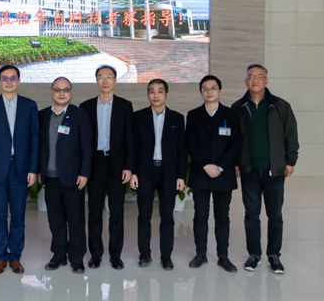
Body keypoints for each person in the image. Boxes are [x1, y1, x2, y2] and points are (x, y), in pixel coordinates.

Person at [232, 64, 299, 274]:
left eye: (259, 76)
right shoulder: (238, 107)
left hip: (274, 171)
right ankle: (254, 255)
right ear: (246, 81)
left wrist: (290, 161)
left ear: (266, 81)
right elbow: (233, 139)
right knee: (251, 215)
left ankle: (274, 255)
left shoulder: (281, 106)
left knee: (275, 215)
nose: (255, 80)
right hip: (249, 170)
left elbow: (291, 135)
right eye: (251, 77)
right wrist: (236, 162)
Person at [0, 65, 39, 275]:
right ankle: (0, 257)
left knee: (18, 216)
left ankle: (15, 257)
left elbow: (34, 140)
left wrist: (33, 169)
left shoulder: (30, 106)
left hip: (21, 169)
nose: (9, 81)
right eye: (5, 78)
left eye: (13, 78)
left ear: (19, 81)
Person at [80, 65, 134, 270]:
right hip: (95, 164)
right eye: (101, 77)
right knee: (94, 211)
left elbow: (130, 139)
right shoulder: (85, 107)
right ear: (96, 81)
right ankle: (96, 255)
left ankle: (115, 255)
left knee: (116, 212)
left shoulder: (125, 106)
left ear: (115, 81)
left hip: (117, 165)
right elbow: (83, 141)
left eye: (109, 77)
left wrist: (128, 167)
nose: (105, 81)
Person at [186, 75, 241, 272]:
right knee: (200, 214)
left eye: (213, 88)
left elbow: (236, 144)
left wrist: (220, 167)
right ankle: (200, 253)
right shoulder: (193, 115)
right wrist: (205, 165)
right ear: (201, 92)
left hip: (223, 175)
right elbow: (190, 144)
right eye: (205, 88)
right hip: (201, 173)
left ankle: (223, 256)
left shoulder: (231, 115)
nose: (209, 92)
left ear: (220, 91)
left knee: (222, 215)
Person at [130, 79, 186, 270]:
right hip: (145, 171)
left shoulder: (177, 118)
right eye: (151, 91)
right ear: (148, 94)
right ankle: (144, 254)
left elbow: (181, 150)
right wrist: (133, 172)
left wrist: (181, 176)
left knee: (167, 217)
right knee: (144, 216)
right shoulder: (138, 117)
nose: (156, 95)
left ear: (166, 94)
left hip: (168, 173)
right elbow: (133, 147)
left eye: (160, 91)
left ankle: (166, 256)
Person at [39, 77, 92, 274]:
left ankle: (76, 258)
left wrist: (84, 172)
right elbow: (39, 147)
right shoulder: (43, 115)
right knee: (56, 221)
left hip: (73, 178)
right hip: (50, 178)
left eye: (66, 90)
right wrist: (40, 172)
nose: (61, 93)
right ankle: (59, 255)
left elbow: (87, 147)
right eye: (57, 90)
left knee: (76, 221)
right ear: (52, 92)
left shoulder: (80, 115)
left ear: (71, 92)